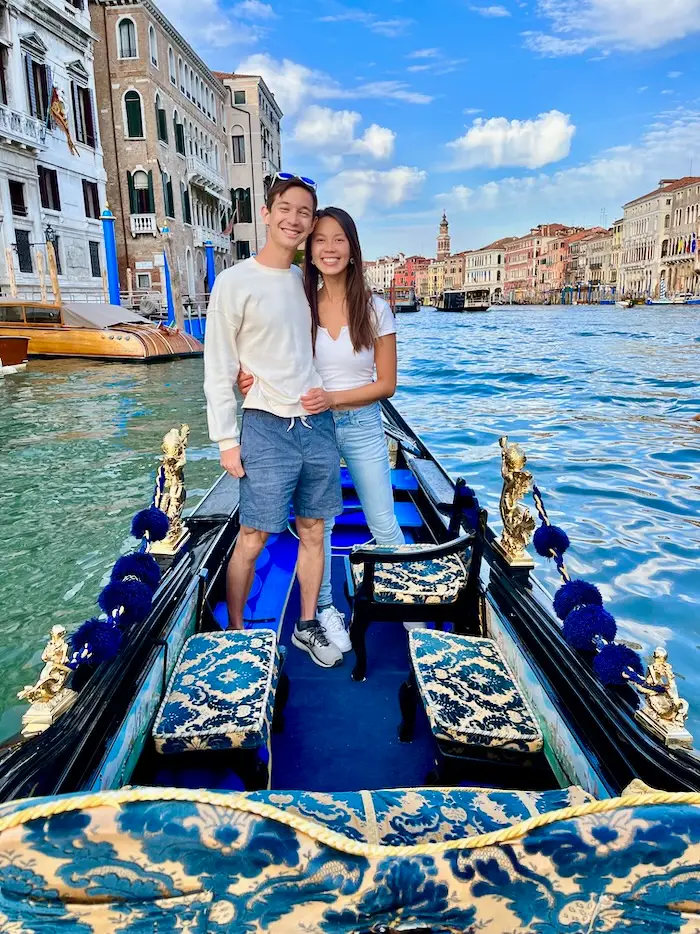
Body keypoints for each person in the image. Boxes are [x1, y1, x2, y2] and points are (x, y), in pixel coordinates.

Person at [239, 206, 404, 653]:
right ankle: (326, 610)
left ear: (352, 250)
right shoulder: (299, 302)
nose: (329, 248)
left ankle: (409, 610)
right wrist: (247, 374)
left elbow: (386, 384)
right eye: (320, 240)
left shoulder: (376, 308)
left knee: (383, 521)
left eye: (338, 240)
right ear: (308, 250)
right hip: (313, 427)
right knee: (321, 527)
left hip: (364, 424)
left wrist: (333, 398)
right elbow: (265, 343)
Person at [203, 176, 344, 669]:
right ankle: (238, 632)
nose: (295, 219)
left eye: (305, 212)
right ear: (267, 213)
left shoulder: (309, 281)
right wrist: (226, 439)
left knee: (313, 530)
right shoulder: (233, 281)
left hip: (315, 424)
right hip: (264, 425)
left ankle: (306, 625)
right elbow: (218, 366)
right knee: (253, 535)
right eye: (286, 208)